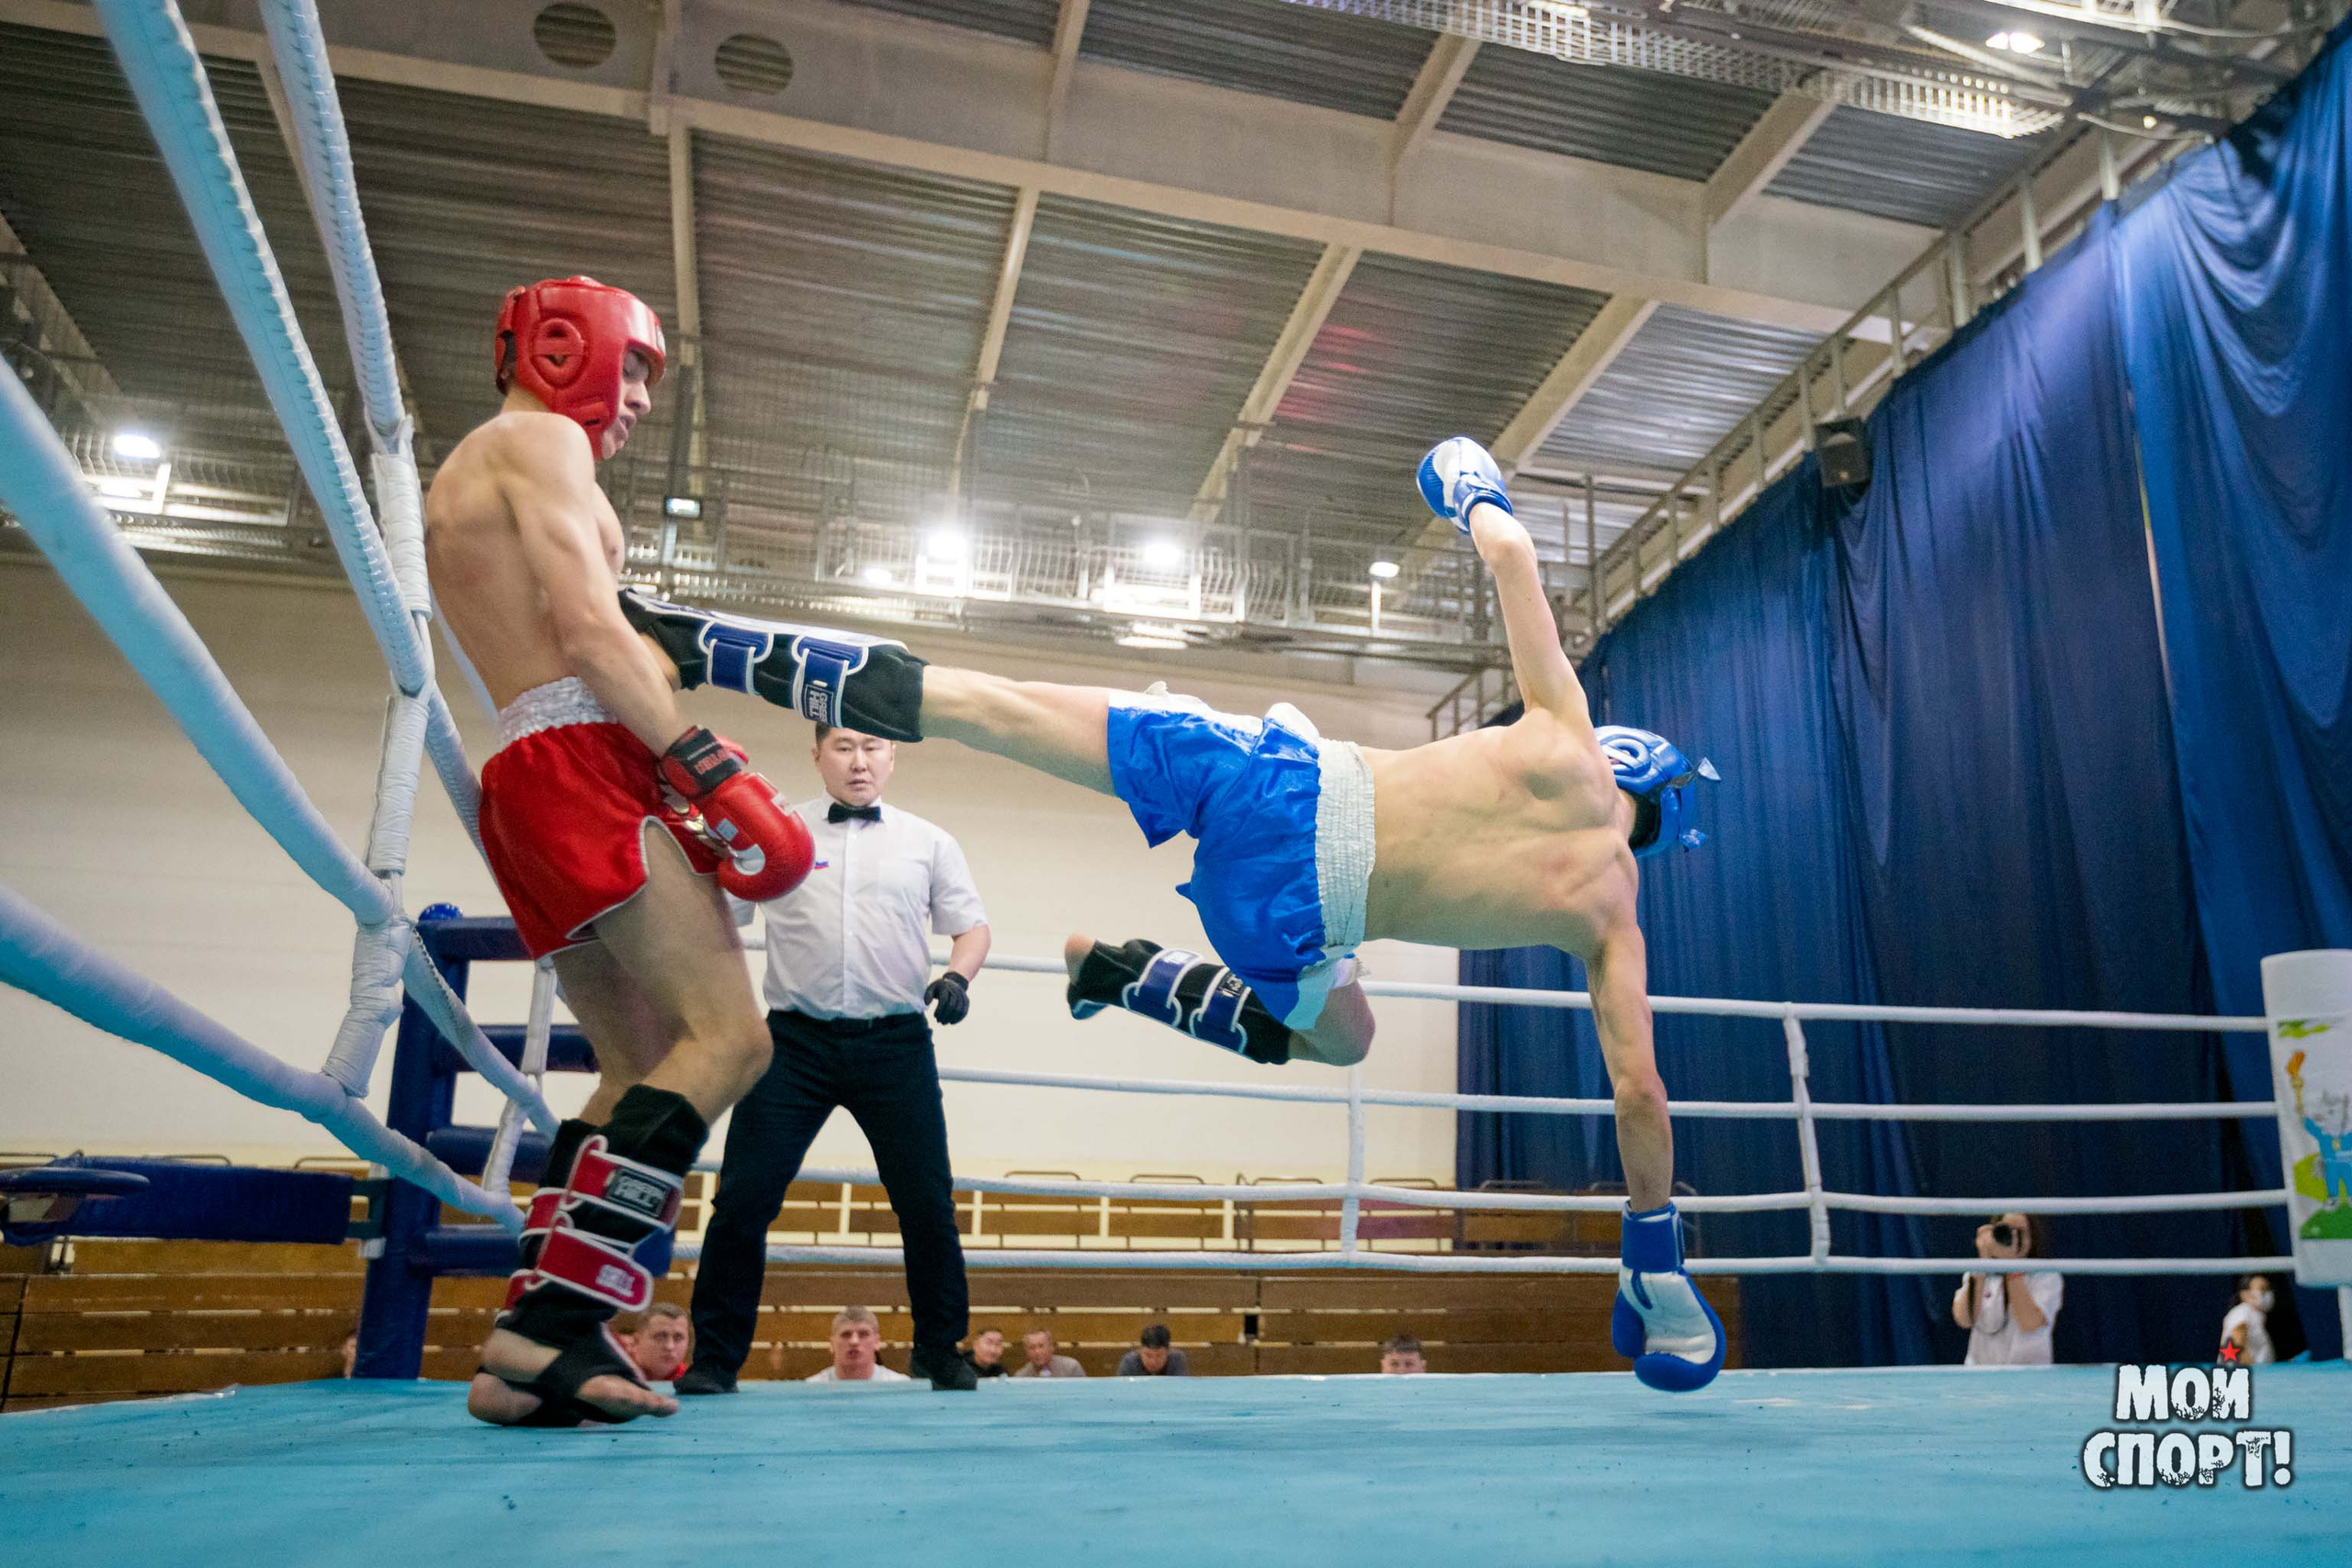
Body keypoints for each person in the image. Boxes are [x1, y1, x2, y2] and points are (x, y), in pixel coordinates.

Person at [614, 435, 1725, 1392]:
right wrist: (1652, 1240)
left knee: (979, 706)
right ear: (1658, 817)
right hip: (1287, 913)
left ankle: (688, 637)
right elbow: (1639, 1089)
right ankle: (1137, 978)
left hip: (1281, 775)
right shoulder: (1610, 915)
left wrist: (1468, 481)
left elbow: (1515, 550)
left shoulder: (1564, 732)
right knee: (1346, 1037)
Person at [425, 276, 813, 1427]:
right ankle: (545, 1326)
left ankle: (531, 1353)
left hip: (531, 773)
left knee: (639, 1056)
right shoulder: (538, 441)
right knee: (732, 1042)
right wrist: (705, 762)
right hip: (586, 759)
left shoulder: (485, 468)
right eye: (631, 366)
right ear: (555, 344)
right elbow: (591, 634)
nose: (639, 396)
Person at [680, 722, 990, 1395]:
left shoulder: (929, 841)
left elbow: (972, 925)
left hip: (896, 1042)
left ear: (894, 756)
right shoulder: (775, 831)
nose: (859, 761)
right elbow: (720, 918)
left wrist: (959, 977)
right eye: (844, 746)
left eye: (873, 747)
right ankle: (714, 1358)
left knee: (927, 1202)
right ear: (816, 754)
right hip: (794, 1043)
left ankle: (941, 1349)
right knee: (741, 1198)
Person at [1952, 1212, 2063, 1366]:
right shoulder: (1979, 1274)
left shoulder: (2046, 1275)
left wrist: (2011, 1267)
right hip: (1981, 1377)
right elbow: (1964, 1319)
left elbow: (2029, 1323)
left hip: (2030, 1378)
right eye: (2007, 1230)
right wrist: (1983, 1263)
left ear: (2033, 1238)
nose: (2013, 1237)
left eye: (2021, 1232)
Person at [805, 1306, 913, 1382]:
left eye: (863, 1334)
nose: (854, 1342)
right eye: (846, 1335)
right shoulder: (810, 1389)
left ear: (877, 1342)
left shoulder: (899, 1386)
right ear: (832, 1344)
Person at [622, 1302, 692, 1383]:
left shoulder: (690, 1382)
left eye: (678, 1338)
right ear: (636, 1341)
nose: (670, 1346)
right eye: (660, 1337)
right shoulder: (614, 1373)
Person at [2221, 1273, 2276, 1366]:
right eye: (2262, 1289)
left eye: (2268, 1288)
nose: (2267, 1293)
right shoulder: (2242, 1312)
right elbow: (2237, 1344)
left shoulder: (2256, 1316)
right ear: (2245, 1295)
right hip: (2242, 1375)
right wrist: (2253, 1372)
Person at [1115, 1323, 1188, 1377]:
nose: (1153, 1362)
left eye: (1159, 1356)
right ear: (1140, 1350)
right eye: (1148, 1355)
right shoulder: (1129, 1363)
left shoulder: (1177, 1360)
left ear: (1168, 1352)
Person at [1012, 1328, 1086, 1378]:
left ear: (1051, 1347)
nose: (1037, 1352)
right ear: (1026, 1352)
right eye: (1032, 1347)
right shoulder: (1021, 1377)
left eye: (1041, 1346)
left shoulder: (1071, 1368)